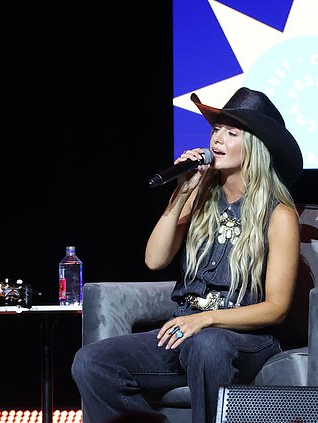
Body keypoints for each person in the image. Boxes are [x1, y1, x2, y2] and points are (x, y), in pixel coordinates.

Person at [71, 87, 303, 423]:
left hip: (246, 339)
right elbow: (154, 259)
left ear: (255, 147)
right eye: (216, 130)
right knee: (92, 362)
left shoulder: (278, 214)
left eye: (231, 133)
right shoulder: (202, 197)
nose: (217, 140)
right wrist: (181, 195)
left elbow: (276, 309)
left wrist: (205, 319)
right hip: (188, 332)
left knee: (208, 346)